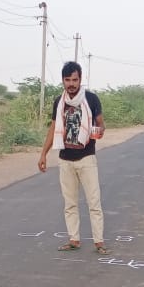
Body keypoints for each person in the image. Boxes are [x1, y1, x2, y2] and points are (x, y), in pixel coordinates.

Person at [38, 61, 111, 255]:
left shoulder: (91, 99)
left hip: (86, 158)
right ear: (63, 80)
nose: (71, 84)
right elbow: (53, 128)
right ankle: (74, 239)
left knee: (94, 203)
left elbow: (101, 124)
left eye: (75, 79)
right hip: (65, 159)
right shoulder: (59, 102)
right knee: (70, 203)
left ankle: (99, 242)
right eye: (68, 80)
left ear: (80, 80)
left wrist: (97, 132)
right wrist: (43, 154)